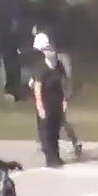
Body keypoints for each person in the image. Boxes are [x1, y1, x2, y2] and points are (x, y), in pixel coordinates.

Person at [30, 33, 70, 168]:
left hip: (57, 102)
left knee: (55, 130)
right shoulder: (41, 67)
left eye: (52, 49)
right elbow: (37, 87)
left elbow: (64, 82)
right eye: (48, 49)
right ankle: (50, 158)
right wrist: (40, 107)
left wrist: (65, 99)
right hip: (46, 103)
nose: (51, 52)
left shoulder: (58, 65)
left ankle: (56, 156)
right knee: (46, 132)